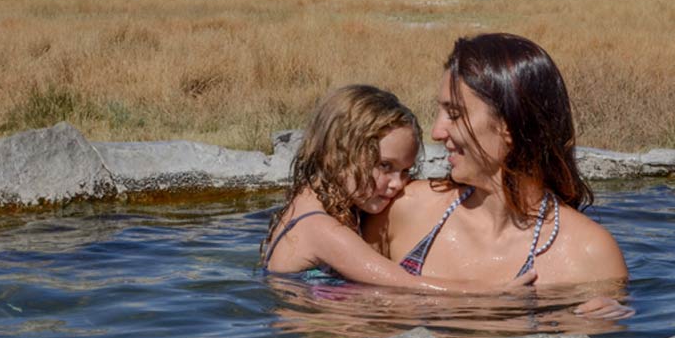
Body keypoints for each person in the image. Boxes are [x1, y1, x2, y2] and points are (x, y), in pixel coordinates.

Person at [364, 33, 629, 289]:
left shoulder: (589, 256)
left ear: (509, 126)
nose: (436, 131)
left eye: (454, 114)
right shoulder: (406, 209)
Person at [262, 84, 536, 293]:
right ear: (337, 155)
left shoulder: (312, 201)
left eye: (405, 170)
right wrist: (493, 293)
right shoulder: (320, 229)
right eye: (385, 166)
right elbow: (406, 286)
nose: (398, 183)